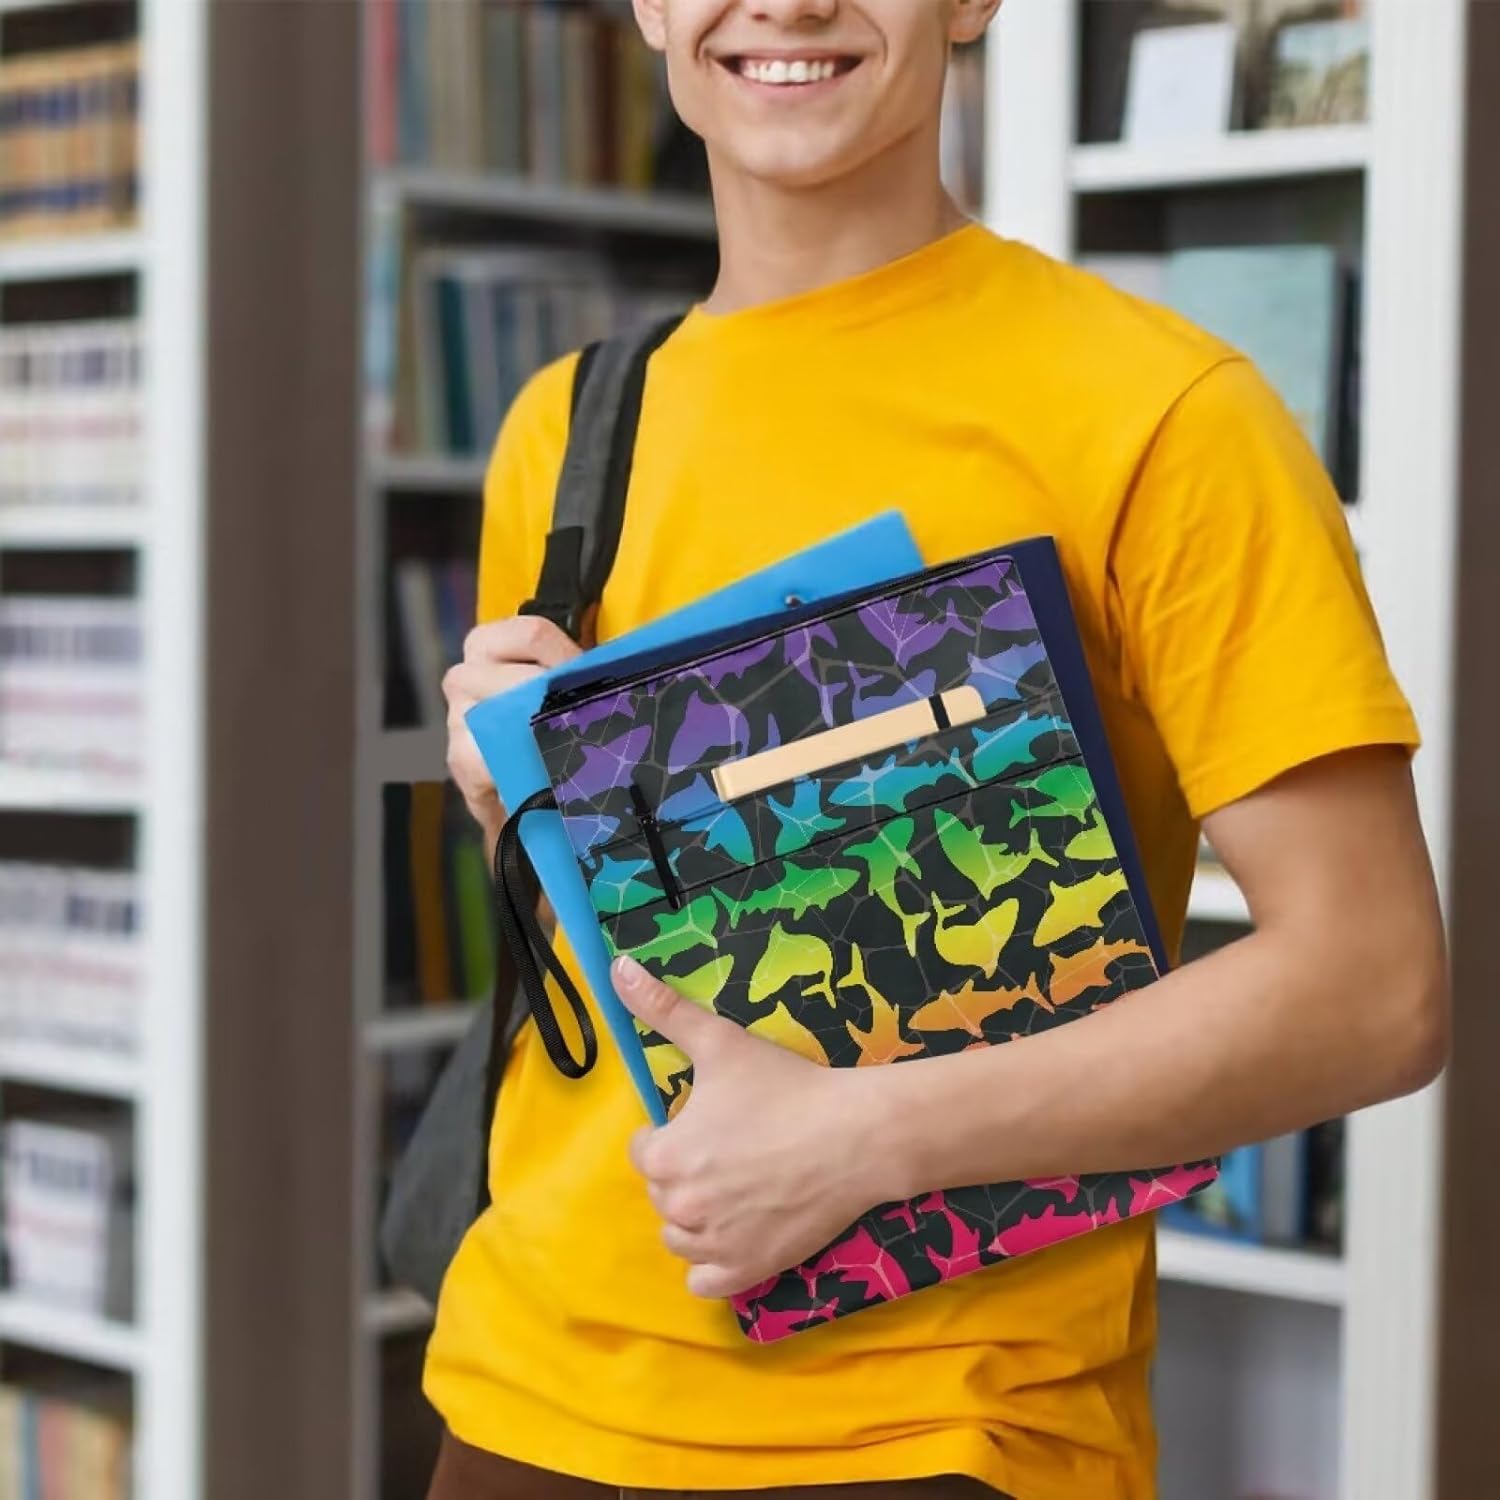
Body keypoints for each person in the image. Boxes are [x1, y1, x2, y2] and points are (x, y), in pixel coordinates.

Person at [430, 0, 1449, 1495]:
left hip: (940, 1434)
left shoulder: (1167, 412)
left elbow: (1376, 988)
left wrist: (863, 1139)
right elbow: (615, 944)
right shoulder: (569, 426)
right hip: (523, 1397)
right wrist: (508, 793)